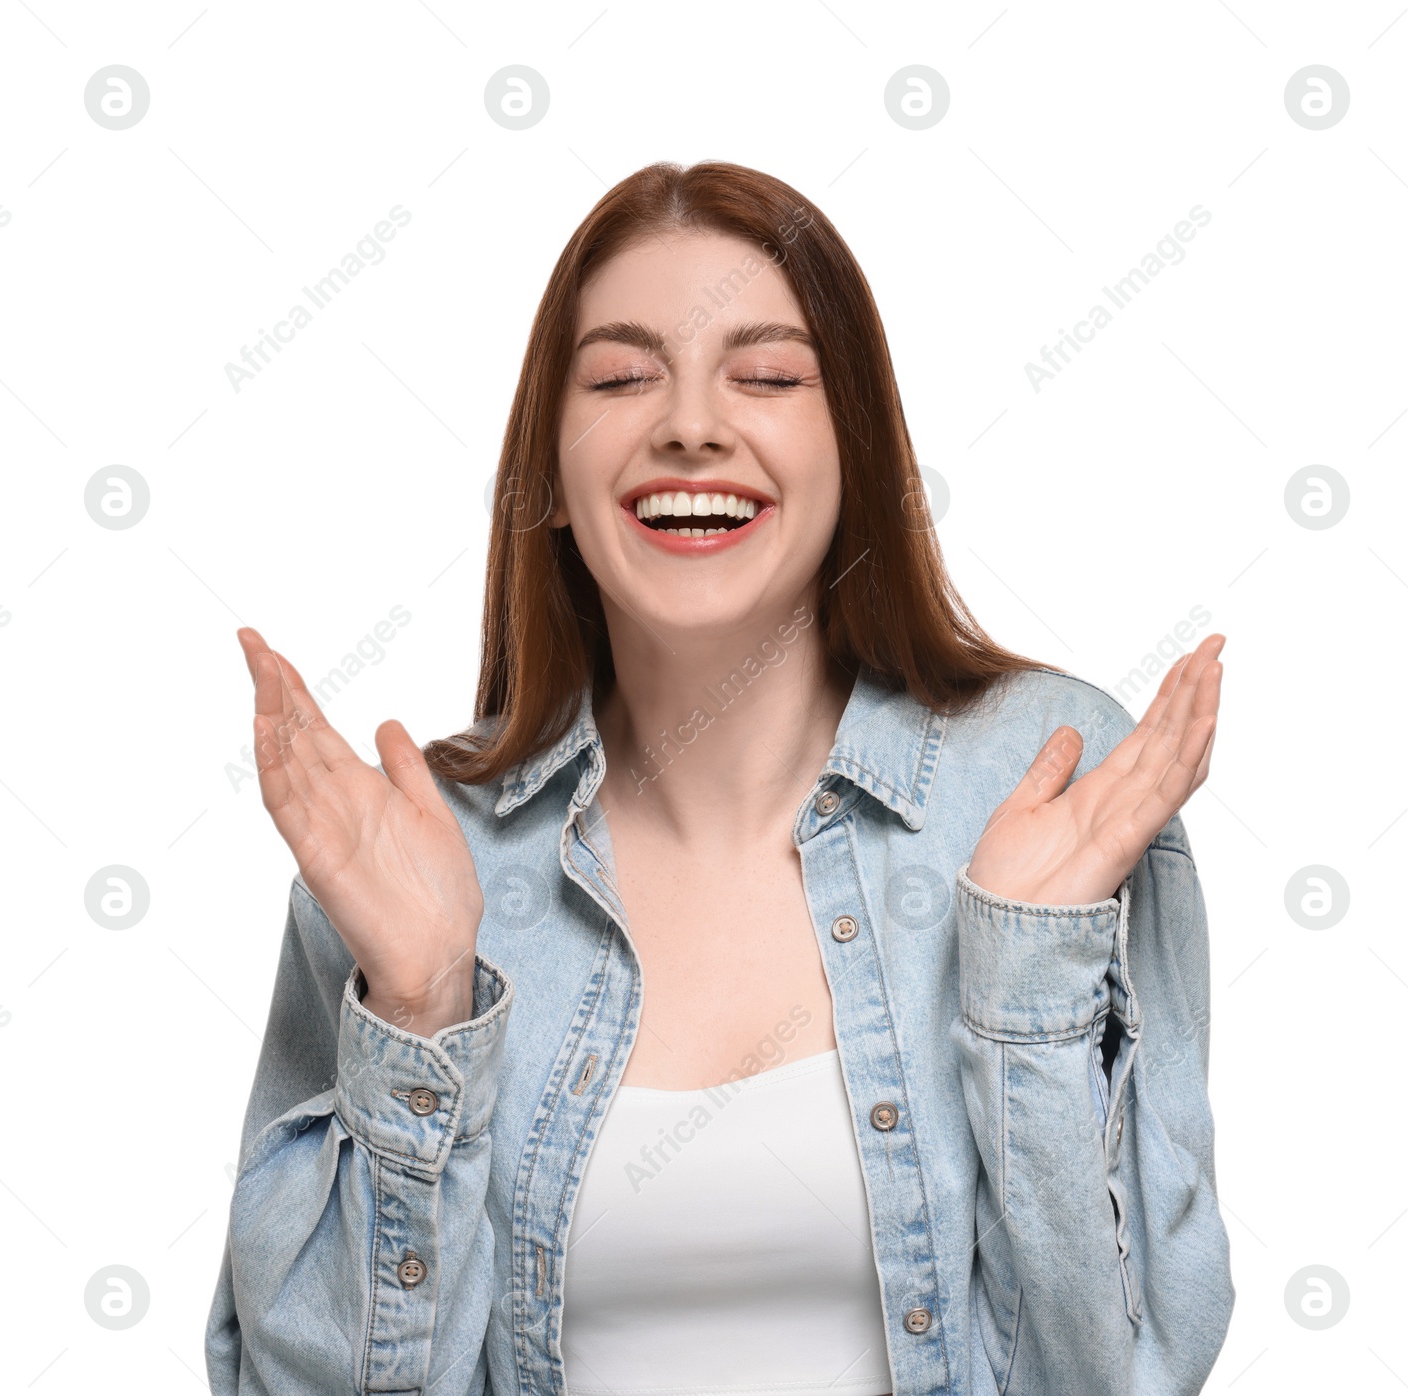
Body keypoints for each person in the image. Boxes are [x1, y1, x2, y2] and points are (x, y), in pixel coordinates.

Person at [205, 160, 1234, 1396]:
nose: (689, 423)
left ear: (855, 434)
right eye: (623, 376)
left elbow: (1127, 1370)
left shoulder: (1047, 786)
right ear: (552, 468)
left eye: (767, 375)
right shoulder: (413, 856)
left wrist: (1023, 981)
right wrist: (420, 1007)